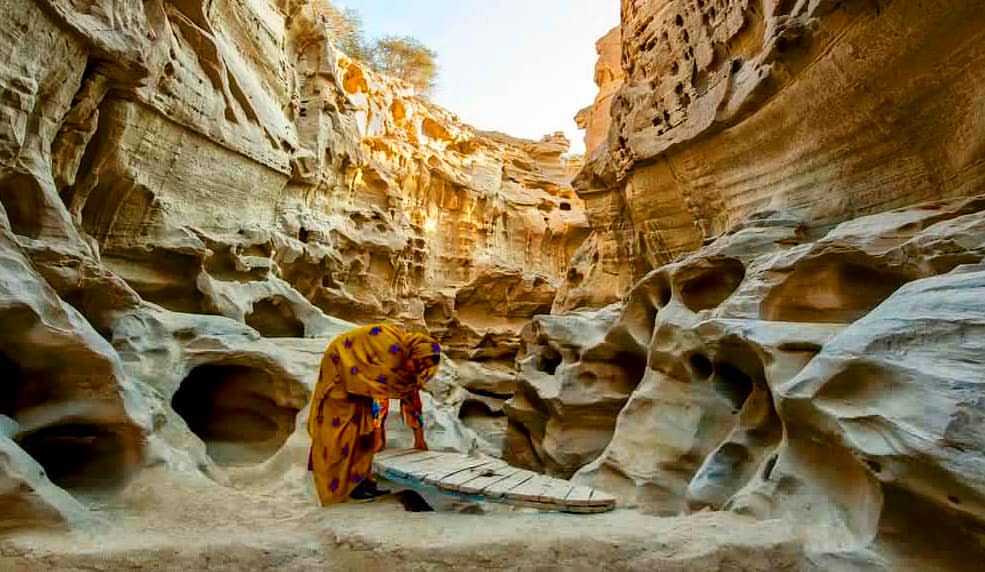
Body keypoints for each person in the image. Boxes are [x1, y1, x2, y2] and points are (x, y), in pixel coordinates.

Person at [306, 323, 440, 505]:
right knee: (342, 431)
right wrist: (379, 434)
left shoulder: (405, 356)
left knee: (363, 430)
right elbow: (380, 392)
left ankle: (359, 483)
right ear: (414, 352)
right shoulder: (391, 352)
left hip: (359, 380)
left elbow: (409, 393)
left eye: (423, 367)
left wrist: (419, 436)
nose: (417, 368)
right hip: (340, 371)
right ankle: (337, 489)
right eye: (418, 363)